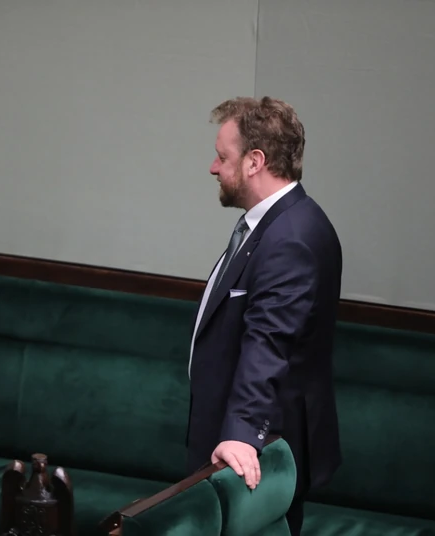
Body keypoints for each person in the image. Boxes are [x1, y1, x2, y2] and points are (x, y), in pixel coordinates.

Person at [186, 96, 342, 535]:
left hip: (259, 449)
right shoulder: (278, 223)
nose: (213, 168)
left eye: (222, 157)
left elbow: (271, 341)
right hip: (250, 439)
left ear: (255, 161)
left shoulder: (290, 237)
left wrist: (242, 433)